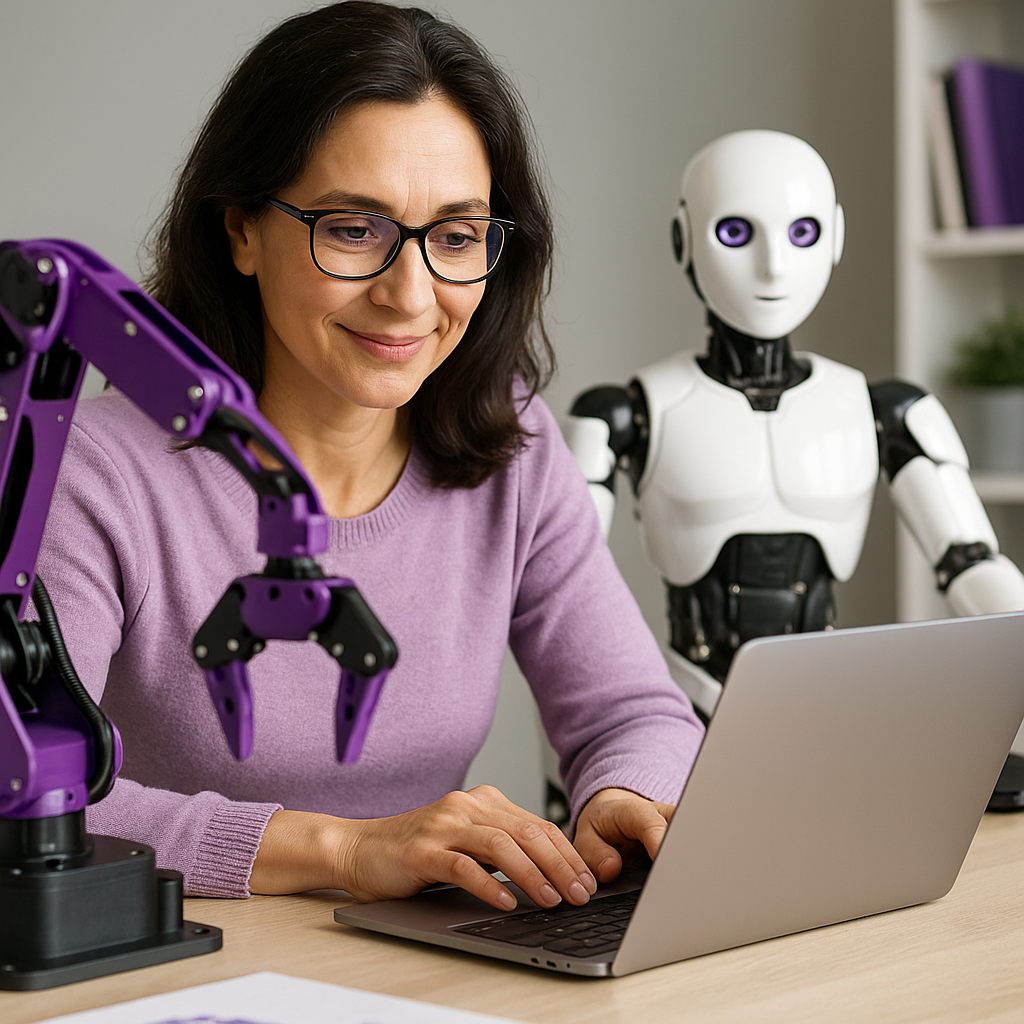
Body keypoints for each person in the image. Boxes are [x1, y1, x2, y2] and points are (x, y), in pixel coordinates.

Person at [36, 1, 704, 913]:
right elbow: (30, 803)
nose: (410, 294)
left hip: (425, 966)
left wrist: (624, 795)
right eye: (354, 229)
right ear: (240, 230)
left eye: (457, 237)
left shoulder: (514, 447)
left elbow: (633, 710)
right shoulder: (91, 475)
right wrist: (347, 851)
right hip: (179, 970)